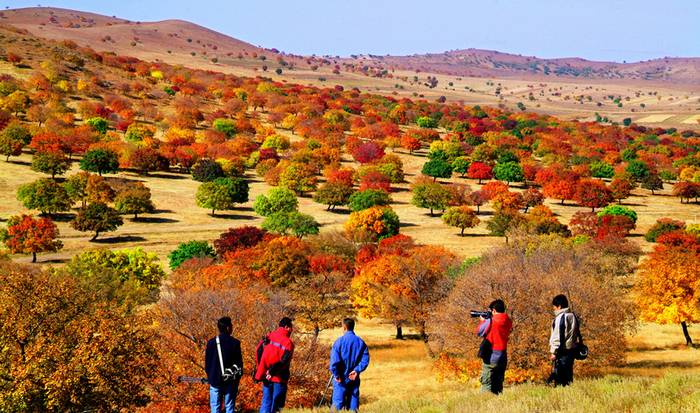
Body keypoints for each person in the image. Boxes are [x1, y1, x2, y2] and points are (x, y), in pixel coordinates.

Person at [255, 317, 295, 413]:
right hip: (279, 378)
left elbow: (258, 350)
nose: (292, 329)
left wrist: (262, 368)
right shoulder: (288, 343)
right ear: (286, 327)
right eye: (291, 327)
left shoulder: (269, 336)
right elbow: (284, 361)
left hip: (266, 376)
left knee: (266, 402)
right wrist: (272, 371)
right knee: (277, 406)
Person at [329, 318, 370, 412]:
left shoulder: (339, 342)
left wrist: (336, 374)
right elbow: (365, 360)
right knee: (353, 405)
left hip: (340, 378)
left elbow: (334, 362)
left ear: (344, 327)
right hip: (354, 377)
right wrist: (356, 370)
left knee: (337, 404)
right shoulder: (361, 342)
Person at [205, 316, 243, 413]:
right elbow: (239, 364)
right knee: (229, 406)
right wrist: (237, 378)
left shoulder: (211, 343)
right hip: (230, 380)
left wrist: (210, 376)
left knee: (215, 407)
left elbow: (207, 364)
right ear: (227, 328)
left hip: (215, 380)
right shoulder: (235, 343)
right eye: (231, 325)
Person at [476, 299, 512, 394]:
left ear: (494, 310)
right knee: (498, 383)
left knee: (486, 383)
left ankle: (485, 404)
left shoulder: (491, 321)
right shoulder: (508, 320)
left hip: (491, 355)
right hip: (503, 356)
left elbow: (480, 332)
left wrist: (483, 322)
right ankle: (498, 403)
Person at [548, 294, 579, 386]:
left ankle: (561, 396)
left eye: (554, 307)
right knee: (568, 377)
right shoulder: (573, 316)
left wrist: (553, 352)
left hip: (561, 351)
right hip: (571, 350)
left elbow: (557, 337)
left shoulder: (560, 318)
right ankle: (569, 396)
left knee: (560, 378)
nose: (554, 309)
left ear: (559, 306)